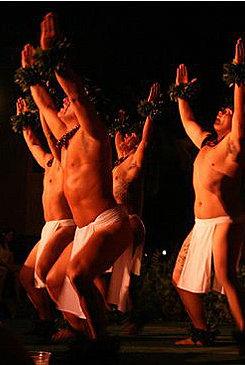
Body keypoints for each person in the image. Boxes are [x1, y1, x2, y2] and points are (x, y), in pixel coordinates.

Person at [23, 13, 132, 352]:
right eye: (64, 104)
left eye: (68, 102)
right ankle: (85, 333)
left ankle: (101, 343)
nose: (64, 104)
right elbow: (44, 103)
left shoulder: (93, 133)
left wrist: (53, 57)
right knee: (54, 279)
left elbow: (77, 94)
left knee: (80, 275)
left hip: (109, 223)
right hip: (85, 228)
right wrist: (31, 74)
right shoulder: (65, 139)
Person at [171, 39, 245, 353]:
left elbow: (241, 111)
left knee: (225, 273)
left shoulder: (234, 147)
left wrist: (239, 77)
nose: (221, 112)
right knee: (179, 277)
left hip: (225, 220)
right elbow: (187, 121)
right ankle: (200, 331)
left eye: (227, 111)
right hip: (201, 223)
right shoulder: (208, 143)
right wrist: (181, 94)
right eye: (222, 109)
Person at [15, 98, 76, 339]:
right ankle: (45, 320)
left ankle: (69, 322)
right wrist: (25, 123)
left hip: (66, 225)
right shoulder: (50, 161)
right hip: (48, 228)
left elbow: (52, 134)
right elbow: (33, 144)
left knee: (46, 274)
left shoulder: (68, 159)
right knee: (25, 276)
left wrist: (42, 109)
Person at [109, 84, 158, 333]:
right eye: (127, 136)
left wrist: (149, 112)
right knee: (114, 272)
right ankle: (126, 315)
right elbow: (117, 137)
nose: (128, 137)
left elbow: (145, 140)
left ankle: (134, 317)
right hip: (116, 222)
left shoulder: (134, 164)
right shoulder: (118, 161)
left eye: (132, 137)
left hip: (130, 222)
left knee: (125, 274)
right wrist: (120, 122)